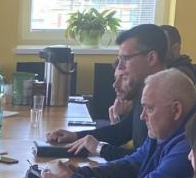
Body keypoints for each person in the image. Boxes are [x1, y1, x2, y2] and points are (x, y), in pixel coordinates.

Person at [41, 68, 196, 178]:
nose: (142, 117)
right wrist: (81, 173)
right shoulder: (166, 129)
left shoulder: (191, 143)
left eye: (149, 109)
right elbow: (131, 165)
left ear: (176, 110)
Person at [46, 23, 168, 160]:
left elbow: (148, 160)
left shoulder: (167, 101)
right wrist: (76, 136)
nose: (120, 66)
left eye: (125, 59)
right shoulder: (144, 91)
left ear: (151, 58)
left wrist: (99, 148)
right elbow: (123, 131)